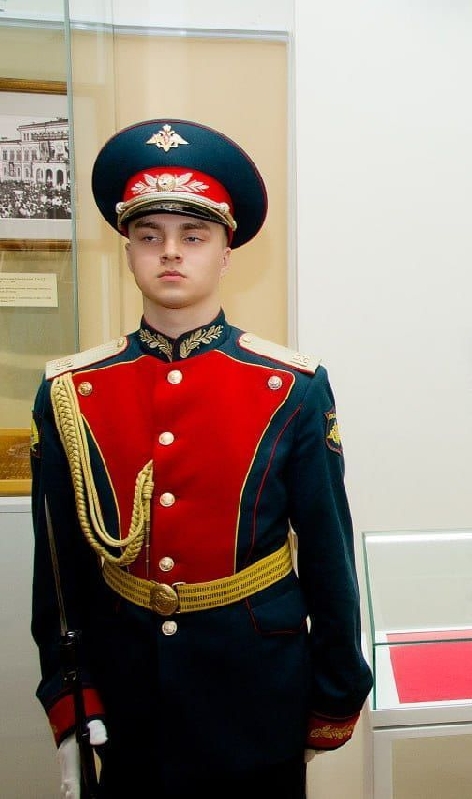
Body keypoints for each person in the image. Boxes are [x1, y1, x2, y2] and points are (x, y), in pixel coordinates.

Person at [29, 118, 374, 797]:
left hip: (257, 692)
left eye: (194, 235)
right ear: (127, 251)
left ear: (225, 253)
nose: (170, 253)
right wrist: (70, 693)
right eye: (149, 235)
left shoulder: (290, 388)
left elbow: (328, 556)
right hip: (128, 695)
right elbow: (61, 572)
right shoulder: (73, 391)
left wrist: (335, 692)